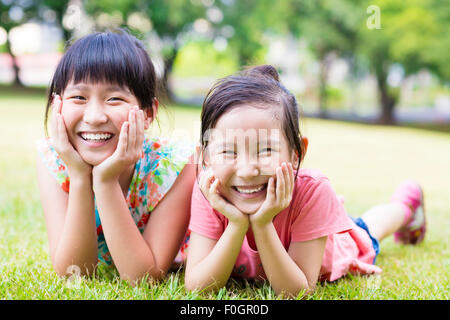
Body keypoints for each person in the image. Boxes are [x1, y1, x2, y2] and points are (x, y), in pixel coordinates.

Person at [184, 65, 426, 297]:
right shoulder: (209, 190)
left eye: (266, 149)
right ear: (205, 158)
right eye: (229, 152)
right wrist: (237, 224)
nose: (247, 171)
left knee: (368, 229)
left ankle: (408, 201)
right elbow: (197, 288)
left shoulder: (313, 190)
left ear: (297, 152)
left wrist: (263, 223)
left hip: (339, 246)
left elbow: (296, 293)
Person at [35, 30, 195, 284]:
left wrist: (106, 181)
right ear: (58, 105)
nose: (94, 116)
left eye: (114, 99)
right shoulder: (54, 159)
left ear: (147, 114)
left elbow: (144, 279)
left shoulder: (174, 165)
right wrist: (79, 176)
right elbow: (74, 274)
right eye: (78, 97)